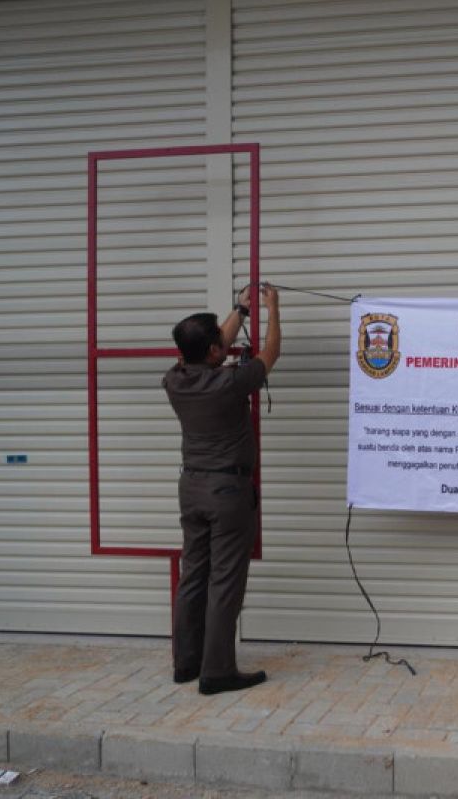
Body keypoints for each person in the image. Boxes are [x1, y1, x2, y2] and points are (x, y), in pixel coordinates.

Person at [163, 283, 281, 695]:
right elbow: (270, 355)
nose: (226, 345)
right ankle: (217, 672)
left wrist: (240, 309)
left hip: (191, 488)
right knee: (225, 582)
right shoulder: (229, 381)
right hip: (227, 493)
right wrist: (272, 309)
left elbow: (214, 346)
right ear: (214, 352)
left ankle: (186, 664)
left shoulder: (175, 379)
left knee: (193, 576)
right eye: (220, 342)